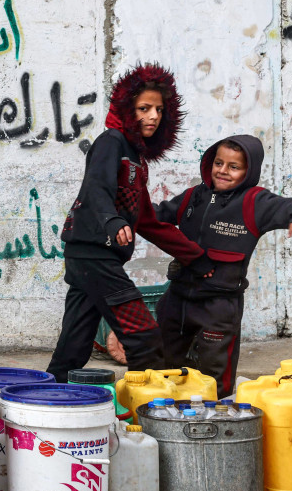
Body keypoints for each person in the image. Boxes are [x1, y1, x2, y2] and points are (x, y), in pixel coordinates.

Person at [46, 63, 214, 383]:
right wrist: (111, 220)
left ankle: (44, 404)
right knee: (145, 338)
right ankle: (146, 418)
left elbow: (148, 222)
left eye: (159, 110)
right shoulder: (111, 142)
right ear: (127, 109)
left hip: (93, 258)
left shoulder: (136, 159)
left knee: (73, 349)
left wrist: (196, 257)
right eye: (144, 108)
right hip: (93, 253)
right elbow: (97, 188)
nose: (153, 116)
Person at [154, 135, 292, 397]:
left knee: (215, 375)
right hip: (177, 298)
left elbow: (290, 206)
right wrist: (125, 212)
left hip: (219, 307)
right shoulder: (193, 196)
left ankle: (216, 422)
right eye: (218, 163)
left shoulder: (254, 202)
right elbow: (156, 215)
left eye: (234, 167)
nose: (222, 171)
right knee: (164, 367)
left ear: (248, 171)